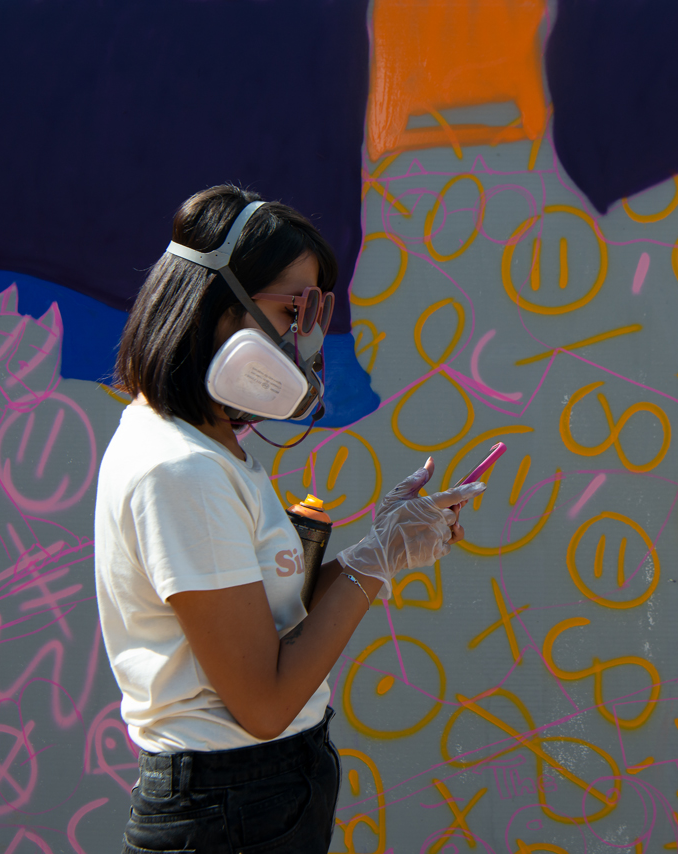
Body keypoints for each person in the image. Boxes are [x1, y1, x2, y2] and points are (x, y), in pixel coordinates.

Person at [94, 185, 484, 853]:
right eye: (289, 308)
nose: (301, 335)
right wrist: (375, 562)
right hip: (229, 805)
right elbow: (265, 703)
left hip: (247, 799)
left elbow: (270, 630)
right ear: (216, 306)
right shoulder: (180, 469)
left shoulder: (206, 450)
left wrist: (384, 542)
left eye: (311, 309)